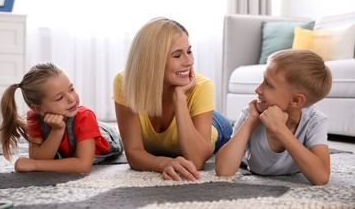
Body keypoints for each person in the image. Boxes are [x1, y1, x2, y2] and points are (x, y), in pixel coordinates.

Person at [113, 17, 233, 181]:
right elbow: (133, 153)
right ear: (152, 61)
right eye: (177, 55)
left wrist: (179, 98)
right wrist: (164, 163)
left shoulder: (202, 86)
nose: (189, 61)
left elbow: (196, 161)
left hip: (216, 126)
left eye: (189, 51)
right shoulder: (126, 82)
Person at [215, 49, 332, 185]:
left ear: (295, 100)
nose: (258, 89)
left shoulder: (314, 121)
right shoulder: (251, 114)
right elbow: (223, 170)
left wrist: (280, 129)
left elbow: (321, 177)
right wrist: (251, 120)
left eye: (268, 84)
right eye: (263, 80)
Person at [0, 62, 123, 173]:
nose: (71, 98)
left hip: (107, 137)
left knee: (86, 123)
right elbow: (37, 157)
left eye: (71, 89)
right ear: (39, 109)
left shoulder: (85, 115)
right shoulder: (34, 117)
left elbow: (83, 166)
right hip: (74, 132)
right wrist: (57, 131)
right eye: (59, 97)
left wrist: (35, 165)